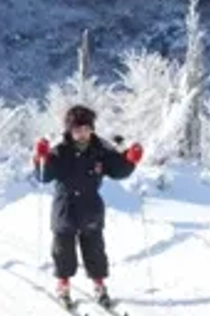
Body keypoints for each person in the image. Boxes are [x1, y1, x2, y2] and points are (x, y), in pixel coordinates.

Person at [33, 104, 143, 305]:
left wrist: (130, 159)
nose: (82, 134)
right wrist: (41, 157)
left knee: (95, 247)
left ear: (92, 128)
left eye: (86, 129)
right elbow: (44, 176)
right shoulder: (60, 151)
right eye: (77, 130)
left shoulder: (100, 149)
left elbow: (118, 169)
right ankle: (63, 284)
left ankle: (99, 284)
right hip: (65, 206)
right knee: (63, 247)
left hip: (91, 205)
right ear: (69, 130)